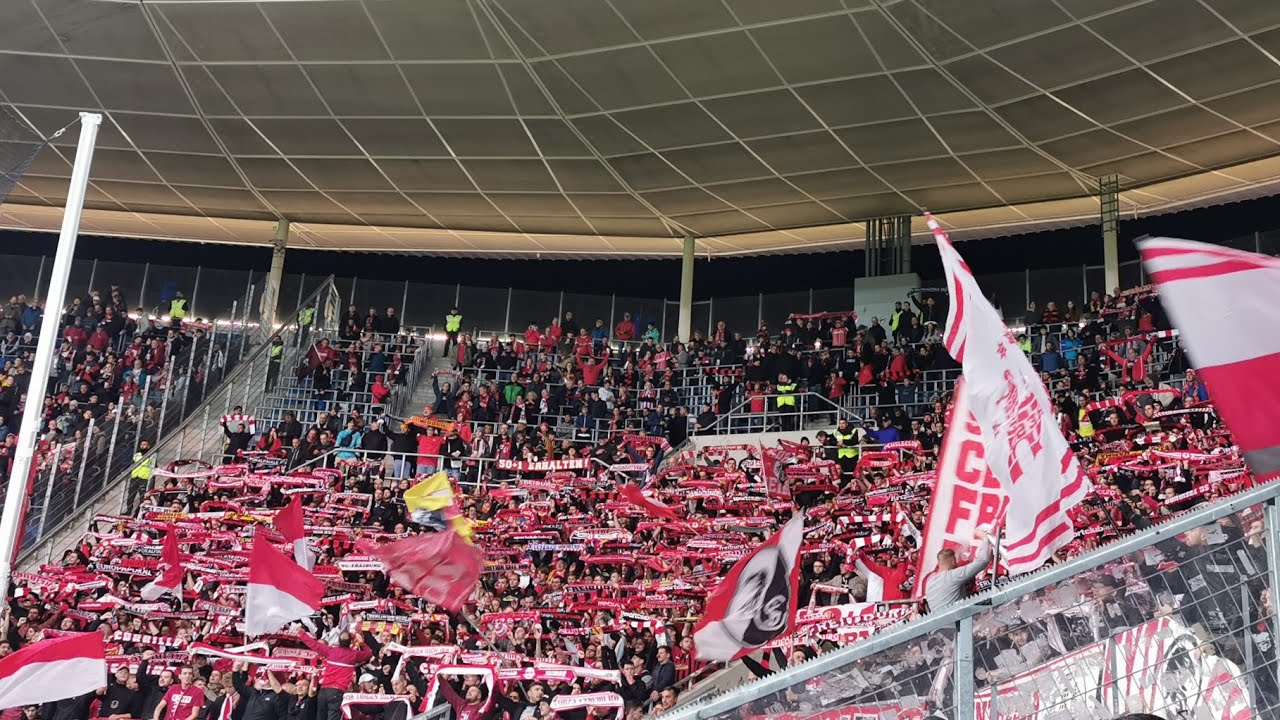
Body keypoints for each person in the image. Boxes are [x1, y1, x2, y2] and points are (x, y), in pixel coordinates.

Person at [297, 631, 372, 720]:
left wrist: (301, 632)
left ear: (338, 642)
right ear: (350, 642)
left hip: (323, 691)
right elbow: (369, 653)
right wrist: (361, 642)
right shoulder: (354, 655)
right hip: (336, 692)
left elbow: (313, 644)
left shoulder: (330, 651)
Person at [921, 530, 994, 612]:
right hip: (957, 622)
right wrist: (985, 539)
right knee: (992, 602)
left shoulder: (930, 584)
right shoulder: (952, 576)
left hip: (941, 623)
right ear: (953, 561)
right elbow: (983, 560)